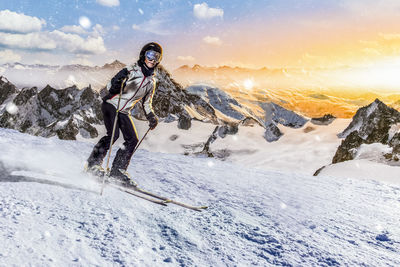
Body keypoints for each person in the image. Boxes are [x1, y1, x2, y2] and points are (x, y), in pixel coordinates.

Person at [85, 42, 162, 187]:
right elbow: (109, 86)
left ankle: (117, 171)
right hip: (111, 104)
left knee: (132, 139)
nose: (152, 60)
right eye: (150, 55)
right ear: (143, 55)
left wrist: (151, 116)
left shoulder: (151, 82)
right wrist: (115, 85)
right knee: (113, 135)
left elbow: (147, 103)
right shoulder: (131, 70)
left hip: (123, 111)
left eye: (156, 57)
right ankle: (92, 165)